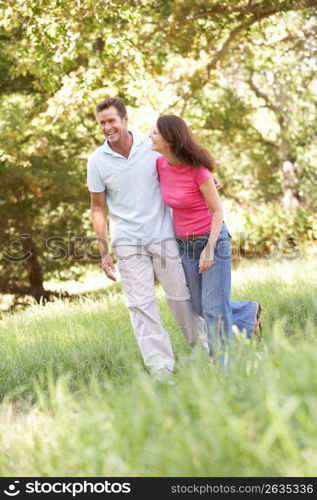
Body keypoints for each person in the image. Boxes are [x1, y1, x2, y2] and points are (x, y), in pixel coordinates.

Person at [87, 98, 209, 383]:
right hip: (128, 242)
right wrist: (104, 251)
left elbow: (183, 166)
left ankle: (205, 354)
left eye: (111, 121)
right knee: (141, 306)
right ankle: (161, 369)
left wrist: (208, 180)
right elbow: (97, 207)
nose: (107, 127)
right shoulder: (97, 160)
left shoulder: (151, 147)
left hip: (163, 235)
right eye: (102, 123)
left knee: (181, 299)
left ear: (125, 119)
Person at [150, 115, 261, 362]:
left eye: (155, 133)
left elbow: (218, 211)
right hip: (185, 244)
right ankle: (248, 311)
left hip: (211, 240)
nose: (150, 136)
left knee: (214, 309)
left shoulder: (198, 171)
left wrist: (209, 249)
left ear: (169, 138)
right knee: (201, 307)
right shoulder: (160, 164)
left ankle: (223, 367)